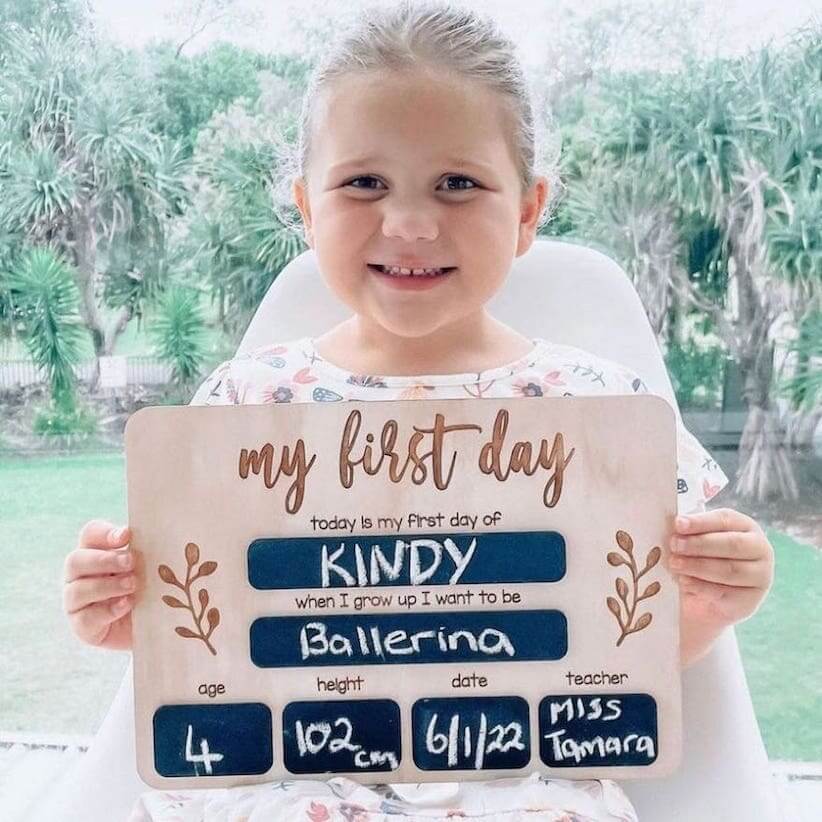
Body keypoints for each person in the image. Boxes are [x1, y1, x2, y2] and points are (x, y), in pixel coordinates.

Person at [62, 2, 774, 819]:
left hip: (524, 798)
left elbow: (618, 657)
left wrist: (714, 605)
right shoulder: (244, 404)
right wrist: (125, 614)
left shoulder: (603, 410)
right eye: (364, 182)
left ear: (529, 210)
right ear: (305, 205)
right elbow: (209, 644)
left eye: (458, 184)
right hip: (284, 794)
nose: (408, 222)